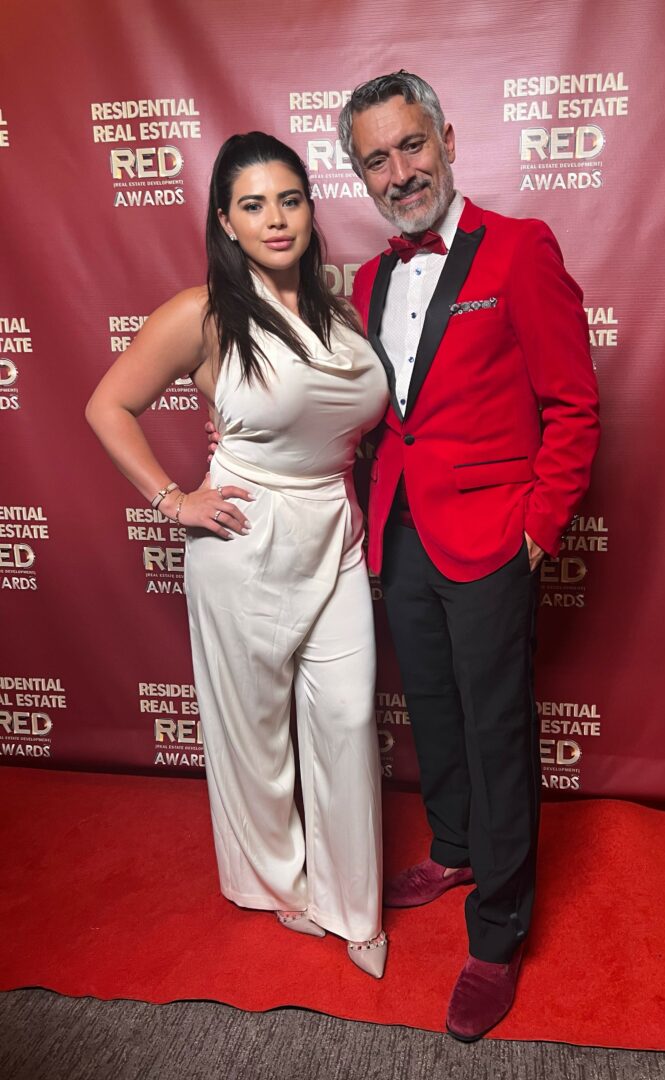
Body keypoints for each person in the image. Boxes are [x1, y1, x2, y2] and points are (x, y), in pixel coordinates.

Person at [86, 132, 390, 978]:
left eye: (289, 199)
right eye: (252, 205)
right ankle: (274, 881)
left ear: (311, 209)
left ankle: (352, 901)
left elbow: (345, 423)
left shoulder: (338, 313)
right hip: (246, 539)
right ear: (225, 220)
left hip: (335, 531)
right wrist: (172, 499)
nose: (275, 219)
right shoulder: (203, 313)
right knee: (255, 731)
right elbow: (108, 405)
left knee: (347, 715)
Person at [337, 72, 600, 1035]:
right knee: (434, 707)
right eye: (377, 159)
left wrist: (537, 531)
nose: (399, 172)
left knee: (496, 729)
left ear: (447, 139)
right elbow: (376, 415)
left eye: (412, 145)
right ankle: (453, 847)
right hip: (401, 531)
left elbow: (573, 405)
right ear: (361, 174)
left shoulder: (522, 248)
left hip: (493, 537)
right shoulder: (368, 281)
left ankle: (498, 930)